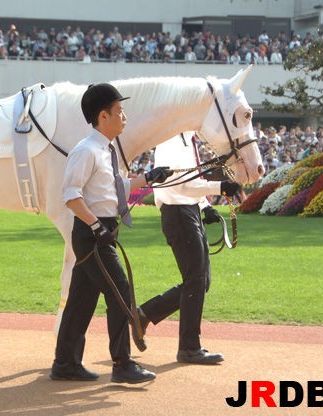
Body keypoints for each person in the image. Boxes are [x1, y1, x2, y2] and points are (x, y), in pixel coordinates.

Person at [50, 83, 172, 384]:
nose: (124, 116)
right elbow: (70, 196)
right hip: (93, 234)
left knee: (81, 299)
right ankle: (122, 363)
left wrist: (149, 178)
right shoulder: (86, 150)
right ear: (103, 116)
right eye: (119, 111)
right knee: (120, 292)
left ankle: (65, 363)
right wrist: (95, 225)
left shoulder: (105, 149)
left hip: (99, 230)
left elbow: (117, 188)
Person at [135, 132, 241, 365]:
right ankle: (188, 347)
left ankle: (145, 314)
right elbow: (181, 185)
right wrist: (220, 187)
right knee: (196, 280)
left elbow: (190, 180)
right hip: (178, 213)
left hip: (187, 211)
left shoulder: (185, 137)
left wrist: (204, 206)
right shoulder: (172, 140)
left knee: (201, 281)